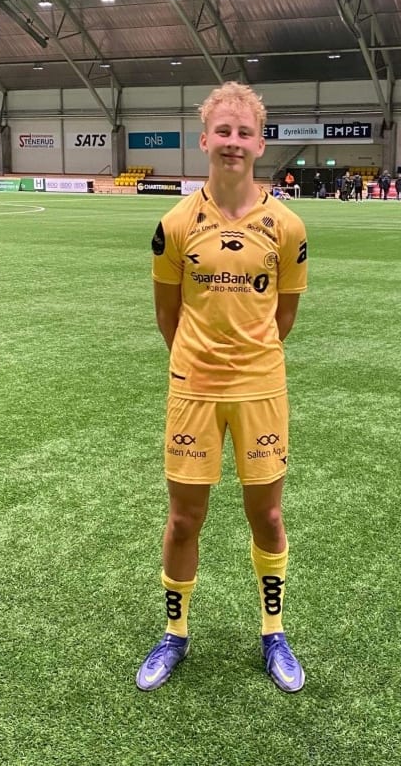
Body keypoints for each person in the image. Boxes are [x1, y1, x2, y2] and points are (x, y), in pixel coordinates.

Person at [140, 81, 309, 694]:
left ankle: (274, 633)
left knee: (267, 513)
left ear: (260, 144)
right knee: (185, 518)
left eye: (245, 132)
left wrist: (247, 359)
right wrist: (198, 362)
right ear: (204, 140)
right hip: (194, 389)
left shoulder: (287, 226)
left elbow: (283, 317)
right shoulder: (175, 224)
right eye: (224, 131)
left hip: (261, 387)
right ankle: (175, 634)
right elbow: (168, 315)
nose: (233, 142)